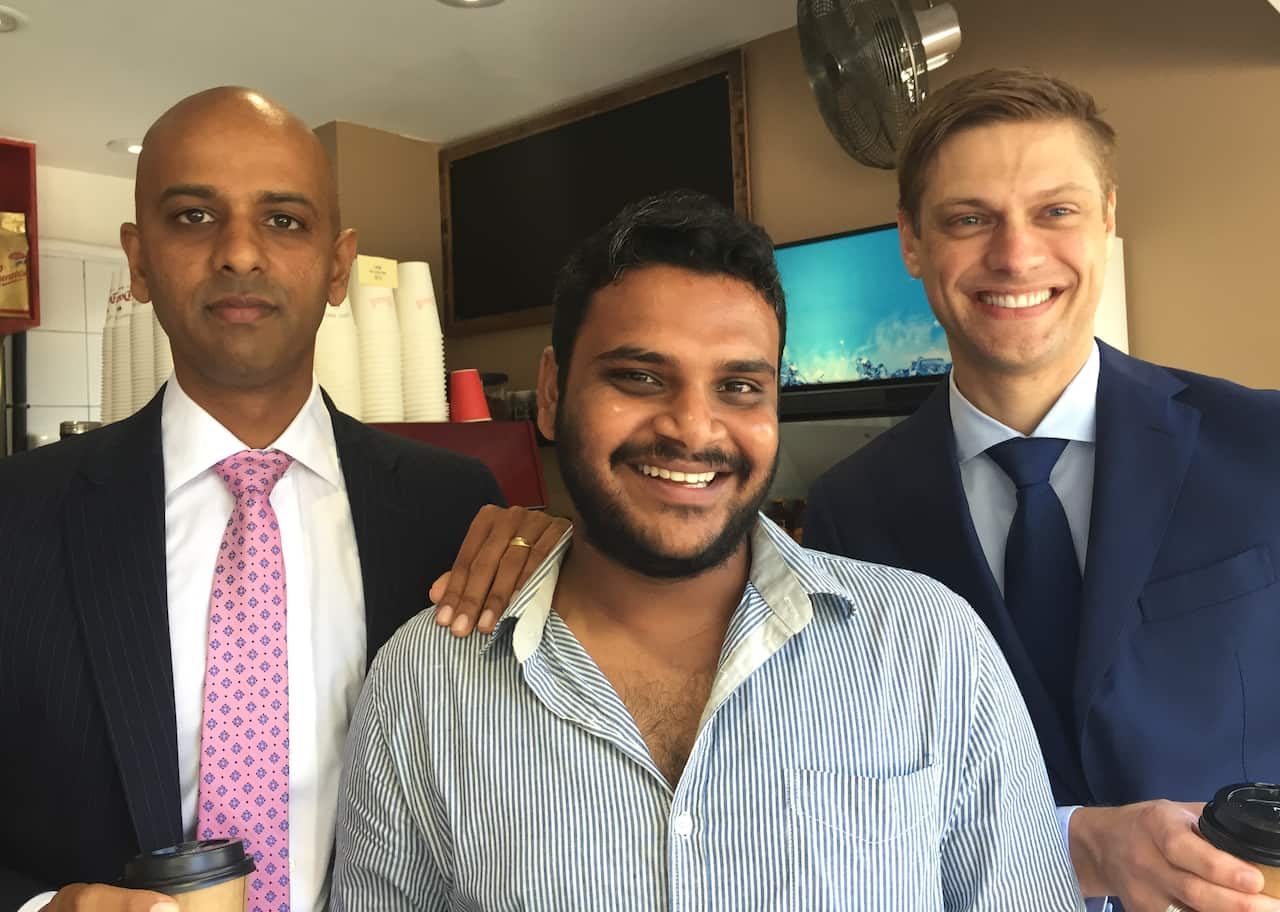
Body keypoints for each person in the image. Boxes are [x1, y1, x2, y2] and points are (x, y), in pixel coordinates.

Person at [330, 190, 1084, 911]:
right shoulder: (422, 688)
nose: (693, 428)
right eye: (640, 377)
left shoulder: (932, 650)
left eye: (739, 387)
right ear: (553, 394)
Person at [0, 87, 558, 912]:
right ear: (139, 260)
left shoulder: (452, 508)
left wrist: (567, 569)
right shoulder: (17, 515)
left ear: (337, 266)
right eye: (193, 216)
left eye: (284, 220)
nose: (239, 253)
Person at [802, 69, 1280, 912]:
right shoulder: (851, 510)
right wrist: (1077, 844)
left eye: (1055, 211)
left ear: (1107, 219)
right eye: (969, 219)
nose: (1016, 256)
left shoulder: (1263, 443)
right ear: (911, 242)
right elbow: (850, 782)